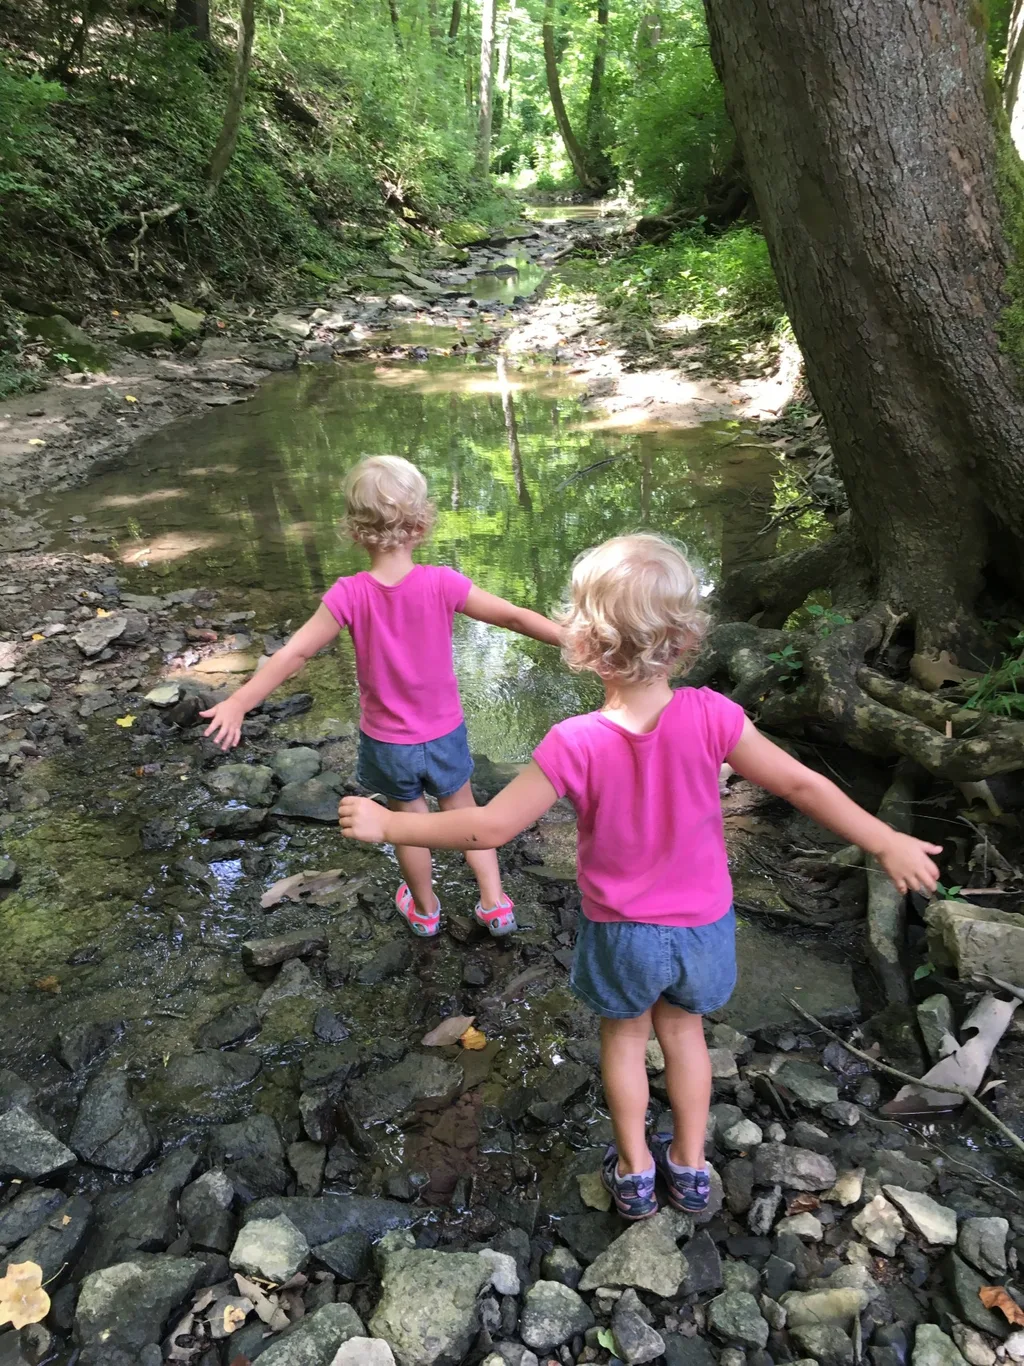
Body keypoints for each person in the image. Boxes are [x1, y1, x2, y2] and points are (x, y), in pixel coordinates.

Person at [339, 532, 942, 1219]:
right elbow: (804, 786)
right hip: (703, 931)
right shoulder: (715, 715)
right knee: (685, 1037)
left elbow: (489, 828)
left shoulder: (573, 742)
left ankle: (633, 1170)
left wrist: (392, 825)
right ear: (686, 640)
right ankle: (689, 1167)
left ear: (585, 645)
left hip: (622, 934)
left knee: (625, 1040)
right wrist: (884, 839)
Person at [201, 454, 562, 939]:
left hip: (390, 744)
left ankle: (426, 910)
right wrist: (571, 638)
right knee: (466, 812)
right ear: (421, 522)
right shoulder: (442, 583)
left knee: (406, 822)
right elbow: (513, 617)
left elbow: (295, 654)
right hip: (444, 733)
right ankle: (495, 905)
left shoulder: (349, 594)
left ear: (354, 530)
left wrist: (239, 701)